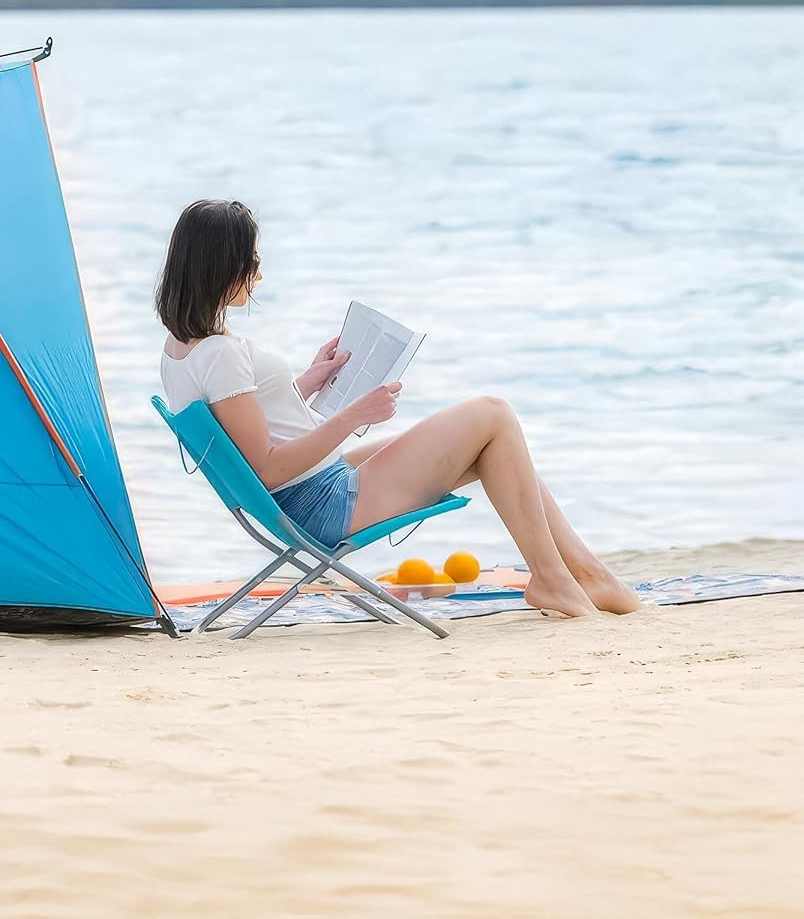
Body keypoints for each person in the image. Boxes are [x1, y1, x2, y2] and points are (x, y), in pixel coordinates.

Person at [156, 198, 639, 618]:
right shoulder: (220, 355)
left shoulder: (181, 350)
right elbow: (266, 467)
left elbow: (247, 430)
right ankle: (556, 579)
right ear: (221, 266)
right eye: (251, 261)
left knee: (496, 447)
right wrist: (353, 415)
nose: (258, 274)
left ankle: (583, 575)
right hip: (320, 502)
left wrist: (307, 382)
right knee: (494, 414)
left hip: (310, 488)